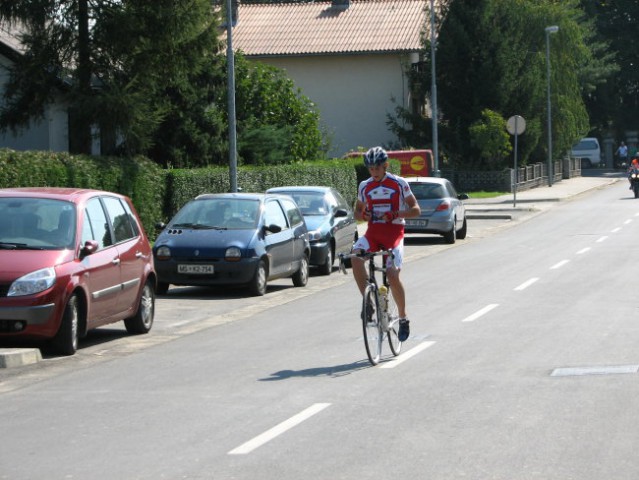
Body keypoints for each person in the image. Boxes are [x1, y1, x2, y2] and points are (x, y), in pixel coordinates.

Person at [351, 146, 421, 342]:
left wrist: (395, 214)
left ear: (385, 166)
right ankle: (368, 303)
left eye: (377, 168)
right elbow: (357, 212)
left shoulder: (399, 183)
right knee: (355, 257)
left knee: (392, 274)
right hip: (373, 233)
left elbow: (416, 209)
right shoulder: (365, 186)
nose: (373, 173)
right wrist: (363, 215)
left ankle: (403, 317)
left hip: (394, 234)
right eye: (370, 169)